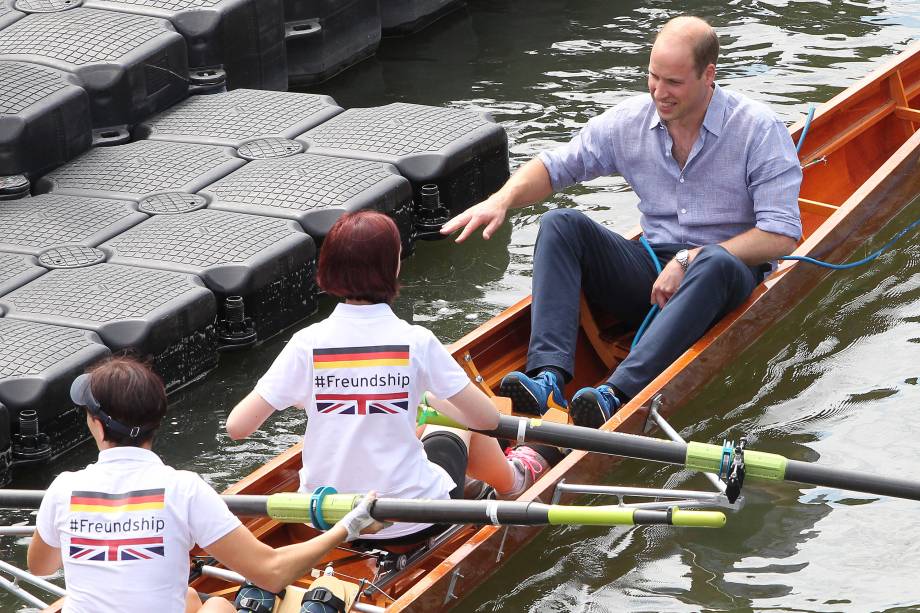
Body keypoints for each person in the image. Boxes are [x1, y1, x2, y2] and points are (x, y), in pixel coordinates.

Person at [441, 16, 803, 428]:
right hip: (652, 273)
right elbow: (558, 164)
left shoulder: (758, 129)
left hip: (726, 276)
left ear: (709, 76)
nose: (659, 93)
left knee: (715, 262)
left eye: (674, 83)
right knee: (561, 223)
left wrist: (690, 259)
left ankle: (615, 394)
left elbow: (781, 233)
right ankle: (547, 378)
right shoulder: (631, 120)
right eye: (653, 77)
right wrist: (500, 200)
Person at [227, 211, 558, 546]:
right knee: (456, 416)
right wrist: (427, 398)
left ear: (327, 268)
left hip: (324, 519)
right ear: (394, 268)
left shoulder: (305, 344)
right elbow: (486, 420)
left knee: (407, 419)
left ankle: (473, 478)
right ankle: (513, 482)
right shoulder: (416, 341)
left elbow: (237, 428)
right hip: (413, 518)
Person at [27, 356, 382, 613]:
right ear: (157, 422)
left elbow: (40, 566)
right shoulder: (184, 489)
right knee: (217, 608)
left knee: (192, 599)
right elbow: (271, 573)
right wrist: (347, 527)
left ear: (98, 426)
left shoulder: (63, 489)